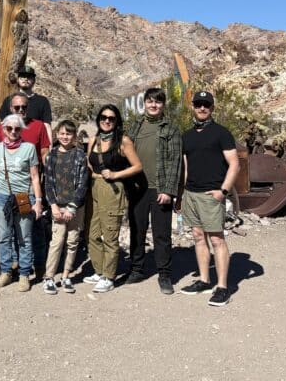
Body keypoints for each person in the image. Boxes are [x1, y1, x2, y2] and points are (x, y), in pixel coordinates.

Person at [180, 91, 239, 307]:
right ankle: (204, 280)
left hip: (211, 194)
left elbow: (234, 163)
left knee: (216, 239)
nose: (202, 108)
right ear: (193, 106)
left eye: (206, 104)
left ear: (212, 108)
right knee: (197, 236)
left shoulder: (221, 133)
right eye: (198, 104)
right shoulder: (186, 136)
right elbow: (187, 166)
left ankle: (222, 287)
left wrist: (223, 191)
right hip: (192, 193)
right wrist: (183, 192)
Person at [125, 87, 182, 295]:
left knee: (161, 234)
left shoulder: (171, 129)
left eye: (158, 102)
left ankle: (164, 274)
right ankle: (137, 269)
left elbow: (176, 162)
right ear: (144, 103)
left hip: (160, 188)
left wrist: (169, 190)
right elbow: (124, 152)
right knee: (137, 231)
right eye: (150, 101)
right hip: (138, 188)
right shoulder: (135, 126)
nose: (153, 105)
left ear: (163, 105)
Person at [83, 104, 142, 293]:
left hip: (112, 190)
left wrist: (116, 175)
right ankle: (99, 271)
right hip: (94, 188)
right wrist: (92, 173)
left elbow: (137, 167)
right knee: (92, 233)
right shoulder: (94, 139)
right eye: (103, 118)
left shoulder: (123, 141)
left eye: (111, 118)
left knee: (109, 234)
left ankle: (109, 277)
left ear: (117, 121)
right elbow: (88, 162)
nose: (107, 121)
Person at [0, 92, 51, 279]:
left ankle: (39, 267)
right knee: (7, 233)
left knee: (31, 233)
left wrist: (40, 194)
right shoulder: (0, 134)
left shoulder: (38, 126)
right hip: (4, 191)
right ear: (10, 108)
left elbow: (44, 153)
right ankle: (11, 266)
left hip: (28, 189)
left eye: (24, 107)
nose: (20, 110)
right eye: (16, 107)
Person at [0, 114, 44, 292]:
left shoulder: (29, 148)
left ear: (22, 130)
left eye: (17, 129)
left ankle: (24, 274)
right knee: (4, 236)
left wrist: (38, 201)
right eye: (9, 128)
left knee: (24, 238)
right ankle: (6, 272)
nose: (13, 132)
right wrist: (3, 188)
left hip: (23, 197)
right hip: (1, 197)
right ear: (3, 129)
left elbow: (35, 177)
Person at [42, 120, 89, 294]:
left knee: (72, 241)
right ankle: (49, 277)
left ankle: (66, 275)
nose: (65, 137)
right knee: (57, 241)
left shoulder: (79, 155)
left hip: (75, 207)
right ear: (56, 134)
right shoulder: (52, 155)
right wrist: (53, 205)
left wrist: (72, 207)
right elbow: (48, 183)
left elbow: (83, 184)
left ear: (74, 136)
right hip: (57, 206)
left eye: (68, 134)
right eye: (62, 133)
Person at [0, 66, 53, 142]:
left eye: (29, 77)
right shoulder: (9, 100)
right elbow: (2, 124)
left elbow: (47, 125)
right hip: (11, 145)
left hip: (35, 145)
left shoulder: (42, 101)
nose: (26, 79)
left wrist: (49, 145)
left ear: (34, 80)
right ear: (18, 79)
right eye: (23, 76)